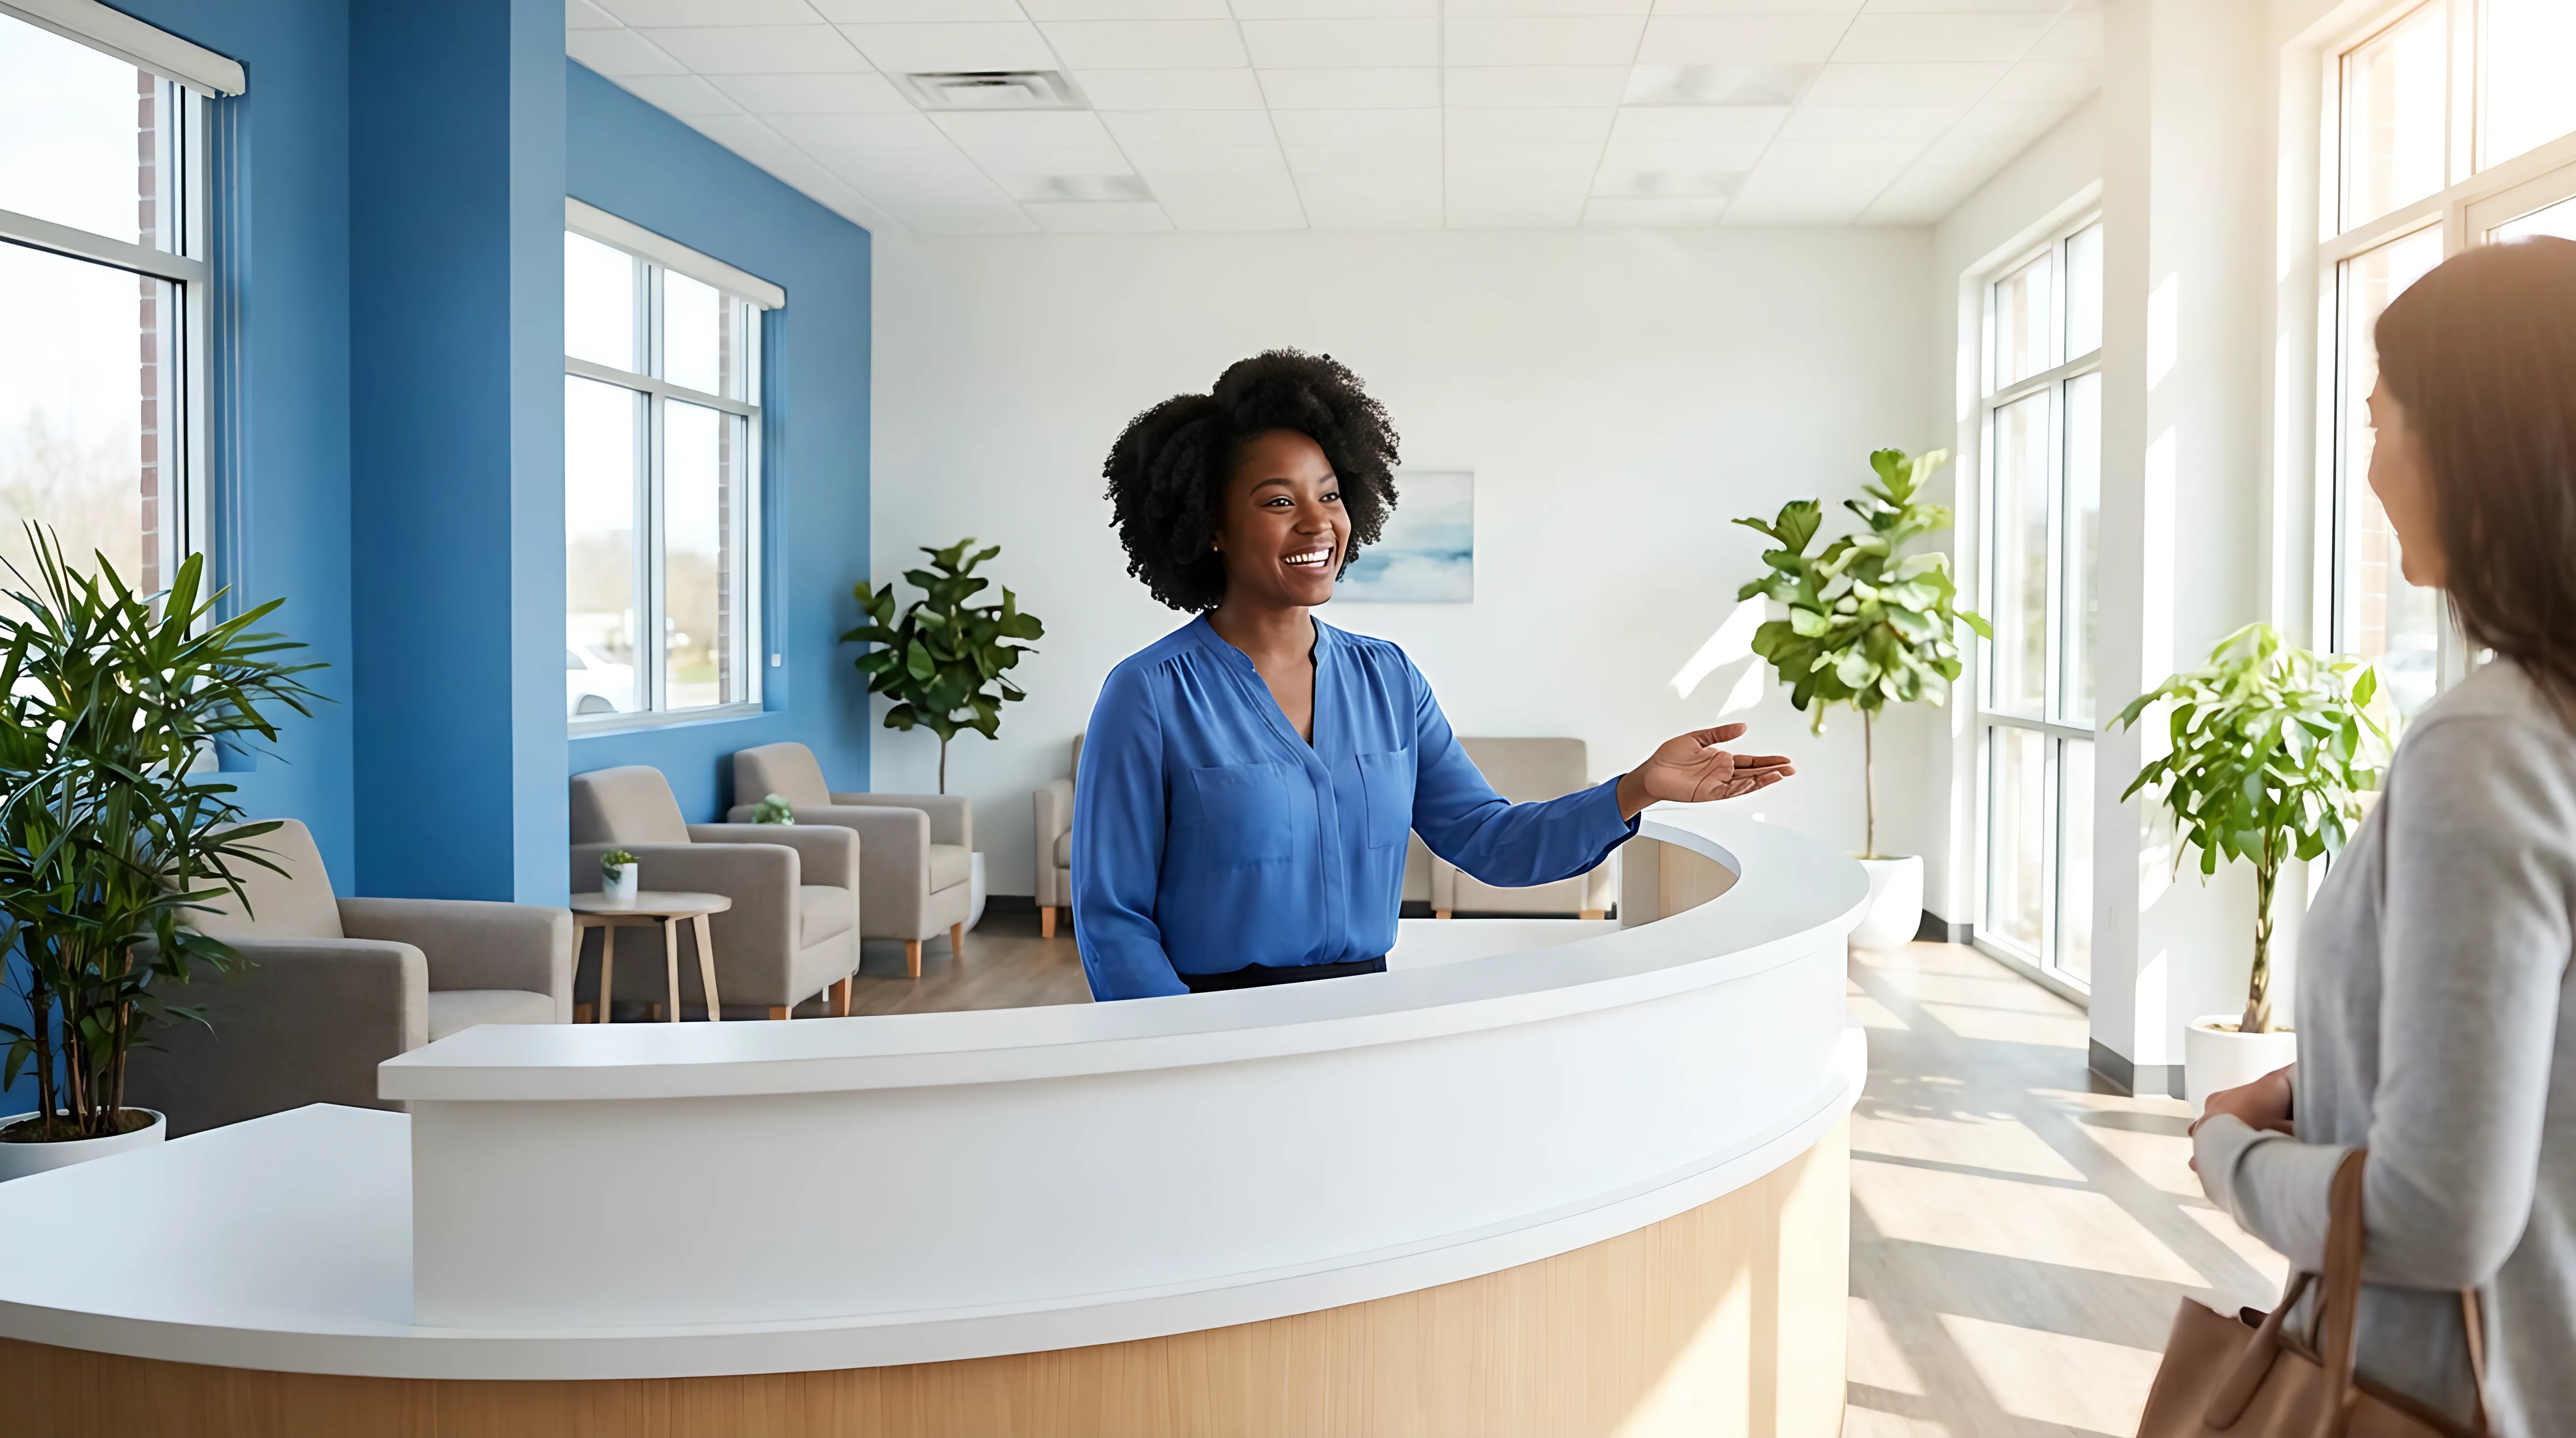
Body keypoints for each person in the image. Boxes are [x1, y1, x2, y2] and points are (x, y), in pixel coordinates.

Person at [1072, 350, 1793, 1002]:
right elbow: (1113, 923)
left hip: (1364, 1016)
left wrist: (1637, 788)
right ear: (1211, 527)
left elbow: (1490, 840)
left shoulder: (1388, 680)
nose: (1317, 524)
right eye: (1278, 501)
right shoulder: (1149, 695)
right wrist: (1181, 1059)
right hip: (1208, 1030)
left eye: (1329, 495)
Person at [2192, 236, 2576, 1434]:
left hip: (2445, 1393)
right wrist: (2325, 1083)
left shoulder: (2488, 744)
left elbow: (2431, 1215)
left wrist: (2223, 1156)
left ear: (2466, 441)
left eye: (2376, 419)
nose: (2367, 469)